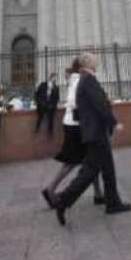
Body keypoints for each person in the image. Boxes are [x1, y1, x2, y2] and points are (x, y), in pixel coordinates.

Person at [52, 52, 131, 226]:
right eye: (93, 57)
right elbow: (100, 104)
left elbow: (85, 108)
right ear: (87, 62)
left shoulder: (84, 80)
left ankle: (112, 202)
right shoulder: (88, 80)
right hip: (96, 133)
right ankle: (63, 200)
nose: (96, 59)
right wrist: (114, 122)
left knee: (105, 169)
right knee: (89, 172)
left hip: (93, 132)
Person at [42, 58, 104, 208]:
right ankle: (50, 190)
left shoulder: (76, 79)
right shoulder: (78, 81)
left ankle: (98, 193)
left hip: (75, 125)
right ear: (83, 66)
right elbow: (73, 102)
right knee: (73, 162)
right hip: (76, 127)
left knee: (91, 161)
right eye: (91, 63)